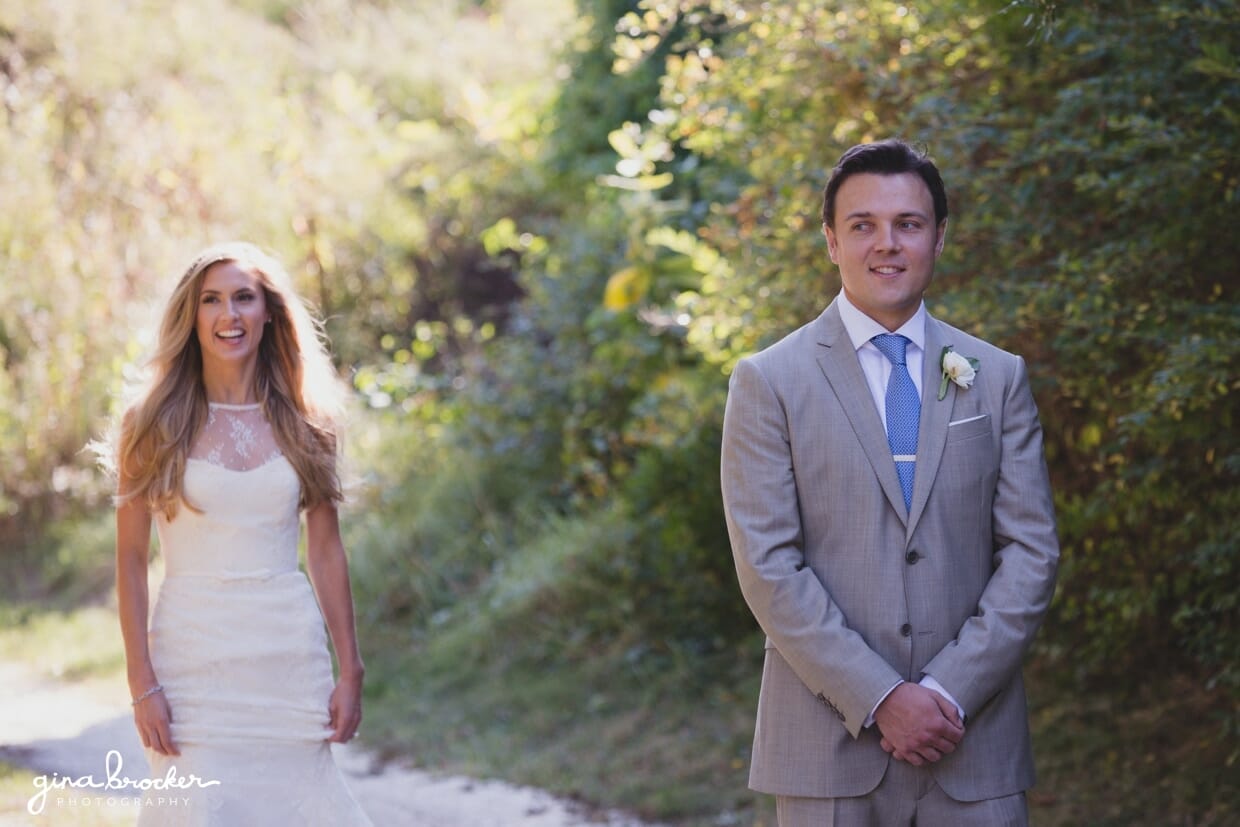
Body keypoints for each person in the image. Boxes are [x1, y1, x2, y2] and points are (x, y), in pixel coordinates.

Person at [720, 139, 1059, 826]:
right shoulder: (769, 382)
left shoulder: (997, 376)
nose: (887, 244)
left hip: (973, 745)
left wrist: (947, 692)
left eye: (908, 223)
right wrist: (881, 696)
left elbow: (1032, 552)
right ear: (831, 241)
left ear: (939, 236)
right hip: (826, 752)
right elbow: (768, 567)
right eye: (862, 225)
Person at [110, 241, 372, 825]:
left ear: (268, 311)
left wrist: (351, 667)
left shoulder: (308, 420)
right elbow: (129, 559)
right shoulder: (151, 423)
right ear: (192, 315)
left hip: (286, 654)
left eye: (244, 298)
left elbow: (325, 550)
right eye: (211, 300)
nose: (228, 315)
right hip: (192, 658)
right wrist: (141, 679)